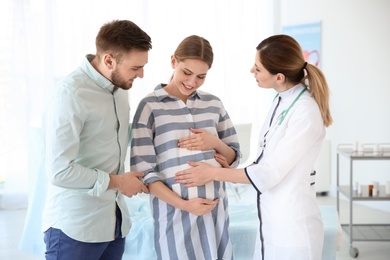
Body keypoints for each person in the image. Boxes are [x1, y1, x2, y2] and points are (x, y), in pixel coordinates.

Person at [175, 34, 333, 260]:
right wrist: (230, 171)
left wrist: (212, 173)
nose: (251, 71)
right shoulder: (281, 101)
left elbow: (268, 173)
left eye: (257, 68)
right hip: (271, 221)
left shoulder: (305, 112)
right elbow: (264, 160)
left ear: (278, 77)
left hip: (293, 229)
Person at [42, 20, 152, 260]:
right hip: (75, 229)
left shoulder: (121, 87)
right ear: (109, 60)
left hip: (114, 224)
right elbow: (59, 171)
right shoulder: (70, 94)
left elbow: (113, 137)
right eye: (136, 68)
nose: (141, 74)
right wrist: (118, 182)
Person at [130, 35, 241, 260]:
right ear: (173, 61)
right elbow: (145, 174)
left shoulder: (214, 103)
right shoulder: (149, 106)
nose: (192, 82)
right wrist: (185, 205)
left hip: (216, 212)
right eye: (187, 73)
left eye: (201, 76)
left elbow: (234, 157)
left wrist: (215, 142)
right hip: (174, 215)